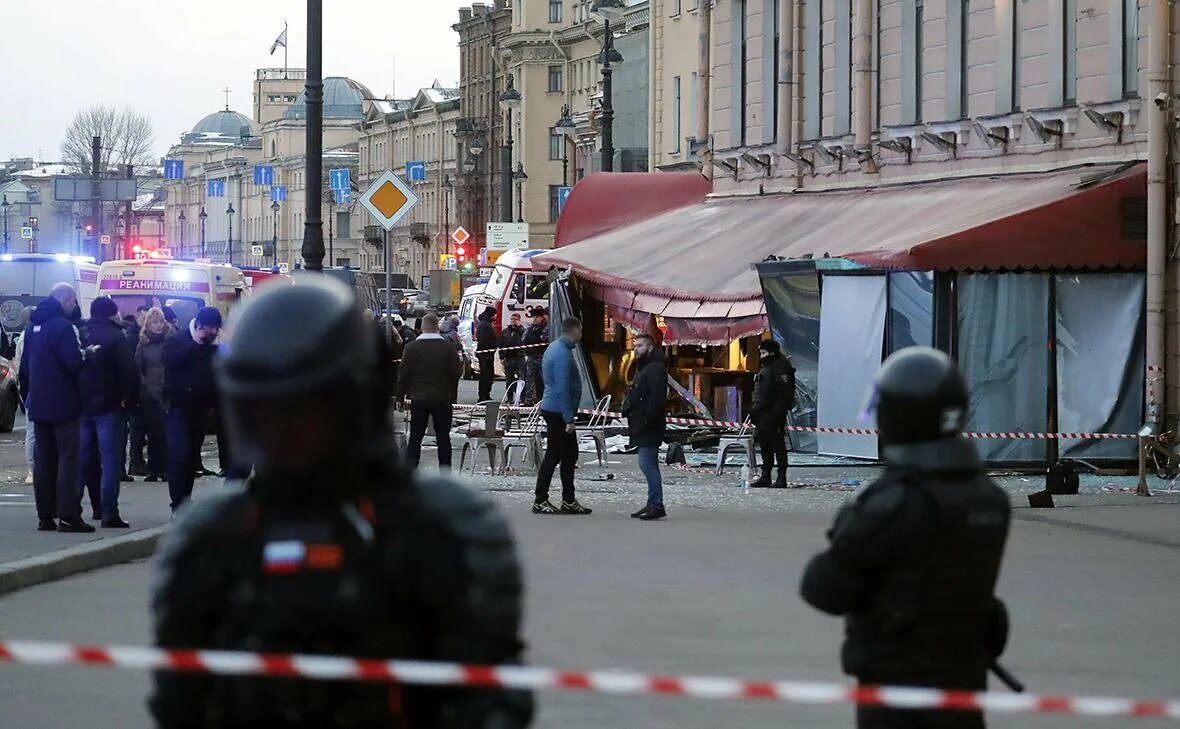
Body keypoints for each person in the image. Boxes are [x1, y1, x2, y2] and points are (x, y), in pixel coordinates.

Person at [149, 276, 534, 729]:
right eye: (263, 415)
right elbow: (181, 702)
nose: (283, 435)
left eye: (304, 414)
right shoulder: (213, 535)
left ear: (354, 404)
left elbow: (491, 697)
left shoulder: (444, 525)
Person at [800, 347, 1012, 729]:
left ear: (899, 416)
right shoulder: (989, 498)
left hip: (897, 686)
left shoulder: (896, 502)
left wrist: (853, 523)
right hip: (963, 676)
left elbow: (823, 588)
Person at [19, 283, 97, 532]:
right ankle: (67, 515)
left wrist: (27, 396)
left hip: (38, 403)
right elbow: (74, 361)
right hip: (64, 403)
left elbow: (25, 366)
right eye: (73, 302)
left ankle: (45, 515)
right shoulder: (65, 327)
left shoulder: (32, 326)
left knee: (43, 460)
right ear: (67, 300)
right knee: (68, 459)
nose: (74, 307)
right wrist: (89, 353)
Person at [77, 297, 138, 528]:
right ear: (113, 314)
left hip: (83, 408)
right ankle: (109, 511)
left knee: (85, 461)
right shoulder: (116, 337)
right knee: (111, 461)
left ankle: (76, 508)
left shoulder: (81, 334)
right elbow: (130, 372)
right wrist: (128, 400)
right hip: (110, 407)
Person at [163, 306, 221, 511]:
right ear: (198, 326)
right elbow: (170, 362)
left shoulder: (213, 345)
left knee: (191, 457)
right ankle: (178, 503)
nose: (213, 333)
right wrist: (195, 344)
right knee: (180, 455)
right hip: (178, 407)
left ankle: (186, 498)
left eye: (216, 329)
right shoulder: (178, 340)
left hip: (200, 409)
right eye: (209, 328)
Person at [532, 317, 591, 515]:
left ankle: (569, 500)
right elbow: (562, 388)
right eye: (581, 331)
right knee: (554, 455)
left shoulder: (556, 348)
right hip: (558, 411)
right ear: (575, 331)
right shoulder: (562, 354)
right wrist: (568, 418)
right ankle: (540, 499)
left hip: (556, 408)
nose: (581, 335)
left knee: (570, 454)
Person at [397, 312, 461, 470]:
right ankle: (445, 474)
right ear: (437, 327)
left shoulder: (411, 348)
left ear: (422, 328)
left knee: (416, 437)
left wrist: (400, 397)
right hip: (442, 399)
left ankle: (410, 472)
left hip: (419, 398)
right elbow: (456, 372)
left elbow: (404, 374)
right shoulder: (448, 347)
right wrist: (452, 394)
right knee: (443, 438)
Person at [623, 334, 668, 520]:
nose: (636, 349)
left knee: (647, 464)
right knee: (649, 465)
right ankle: (653, 503)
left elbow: (657, 399)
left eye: (640, 346)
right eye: (635, 346)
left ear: (650, 348)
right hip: (644, 423)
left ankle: (656, 504)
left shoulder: (655, 369)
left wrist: (647, 421)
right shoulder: (646, 368)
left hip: (649, 426)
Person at [749, 339, 796, 488]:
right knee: (765, 446)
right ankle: (766, 475)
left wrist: (777, 413)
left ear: (772, 352)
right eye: (761, 353)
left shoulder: (781, 368)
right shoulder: (767, 367)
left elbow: (784, 394)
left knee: (778, 446)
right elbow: (760, 390)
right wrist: (754, 410)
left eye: (764, 353)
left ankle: (781, 477)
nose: (761, 356)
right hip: (762, 414)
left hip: (773, 415)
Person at [136, 307, 170, 483]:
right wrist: (143, 387)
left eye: (160, 321)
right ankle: (153, 469)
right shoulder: (143, 343)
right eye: (155, 322)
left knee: (165, 433)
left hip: (165, 392)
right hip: (149, 393)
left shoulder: (169, 340)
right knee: (152, 433)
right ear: (148, 323)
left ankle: (165, 469)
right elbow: (138, 366)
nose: (158, 325)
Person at [12, 305, 34, 485]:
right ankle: (34, 469)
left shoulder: (23, 337)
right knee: (34, 431)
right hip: (35, 388)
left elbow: (19, 364)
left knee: (32, 431)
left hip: (29, 388)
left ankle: (32, 469)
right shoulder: (32, 335)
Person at [522, 307, 549, 404]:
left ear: (542, 317)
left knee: (543, 379)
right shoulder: (532, 328)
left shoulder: (547, 327)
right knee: (529, 379)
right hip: (532, 356)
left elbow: (545, 339)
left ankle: (543, 399)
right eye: (534, 317)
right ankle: (528, 399)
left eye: (536, 317)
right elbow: (524, 339)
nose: (534, 319)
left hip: (542, 356)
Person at [500, 312, 527, 397]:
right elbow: (501, 344)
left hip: (519, 357)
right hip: (508, 358)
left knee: (521, 378)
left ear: (519, 320)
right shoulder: (505, 331)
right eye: (512, 319)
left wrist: (519, 327)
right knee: (509, 379)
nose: (513, 321)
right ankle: (510, 397)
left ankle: (522, 397)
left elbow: (525, 339)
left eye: (515, 319)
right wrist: (501, 357)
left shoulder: (522, 331)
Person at [475, 305, 498, 401]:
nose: (496, 316)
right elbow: (485, 340)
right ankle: (483, 396)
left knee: (488, 375)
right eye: (495, 314)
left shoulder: (485, 324)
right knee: (486, 376)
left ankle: (486, 394)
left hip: (487, 354)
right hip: (486, 355)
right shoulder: (485, 325)